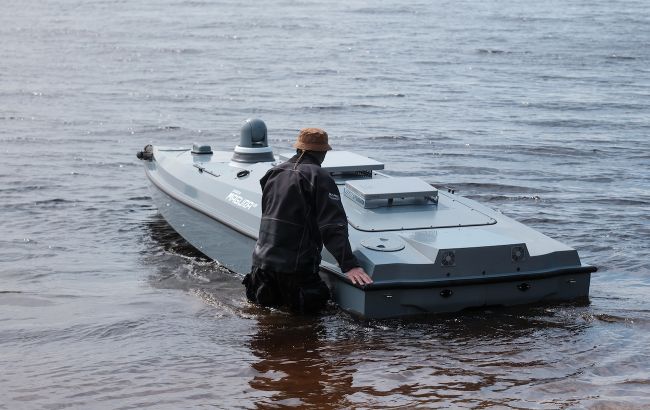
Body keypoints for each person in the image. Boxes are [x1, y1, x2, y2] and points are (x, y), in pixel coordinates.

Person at [243, 127, 373, 313]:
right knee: (308, 327)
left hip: (261, 266)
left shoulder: (273, 173)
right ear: (322, 153)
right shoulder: (319, 177)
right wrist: (349, 265)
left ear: (298, 148)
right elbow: (332, 225)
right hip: (295, 271)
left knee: (264, 324)